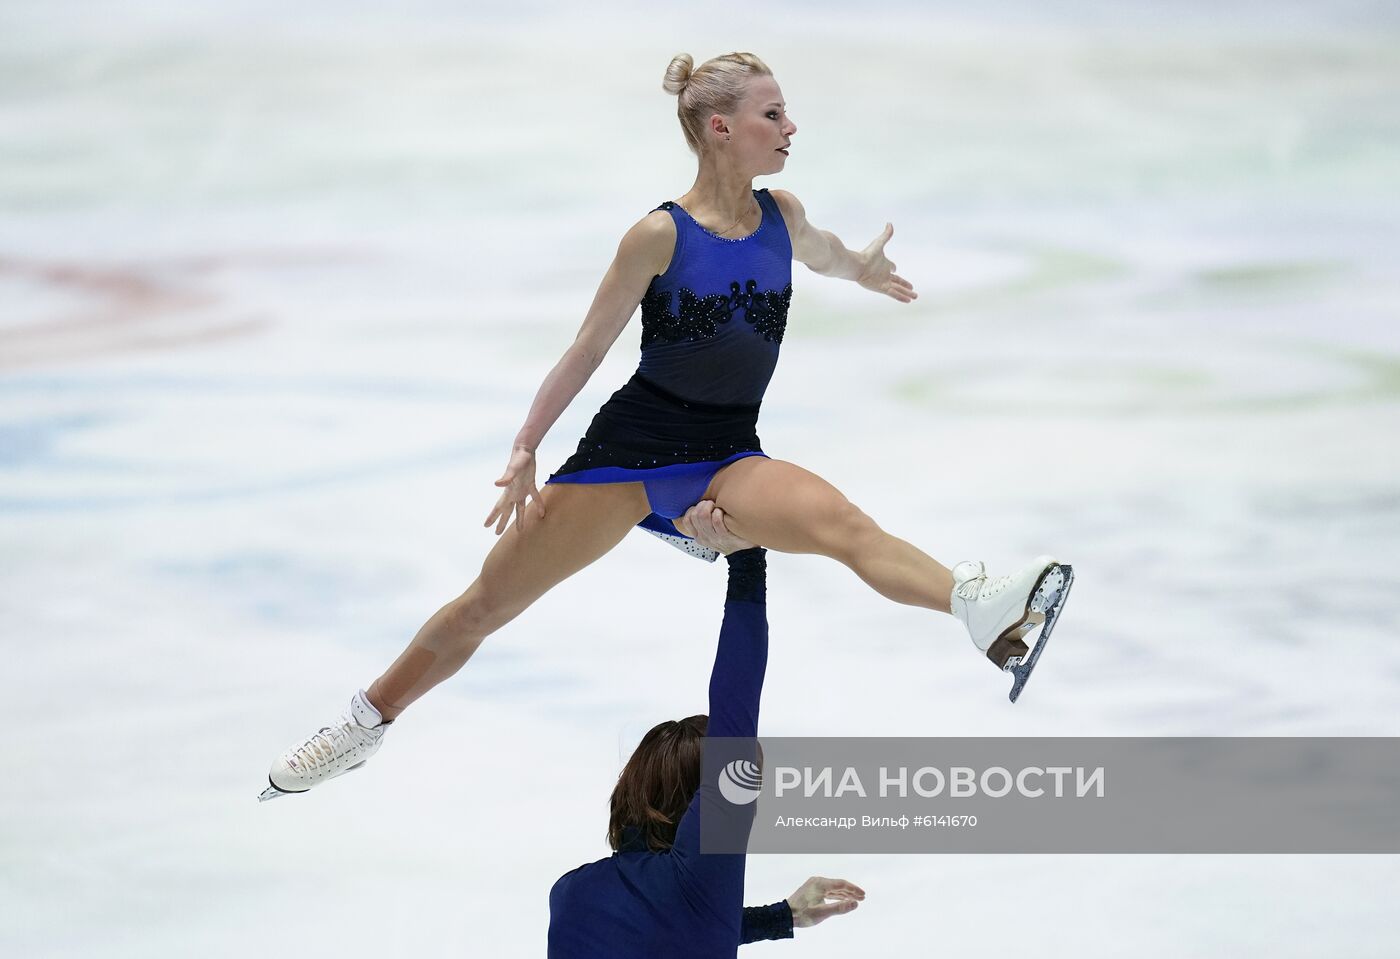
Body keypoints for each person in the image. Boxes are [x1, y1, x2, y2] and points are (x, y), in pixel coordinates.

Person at [258, 51, 1072, 801]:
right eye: (774, 115)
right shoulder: (659, 234)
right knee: (487, 604)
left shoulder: (782, 213)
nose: (791, 129)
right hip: (629, 454)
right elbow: (587, 349)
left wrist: (863, 269)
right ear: (721, 128)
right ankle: (362, 724)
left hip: (727, 450)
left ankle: (980, 609)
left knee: (843, 525)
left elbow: (826, 254)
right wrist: (526, 444)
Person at [548, 501, 864, 956]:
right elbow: (735, 709)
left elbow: (664, 931)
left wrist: (779, 916)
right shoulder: (697, 878)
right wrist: (747, 562)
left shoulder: (570, 895)